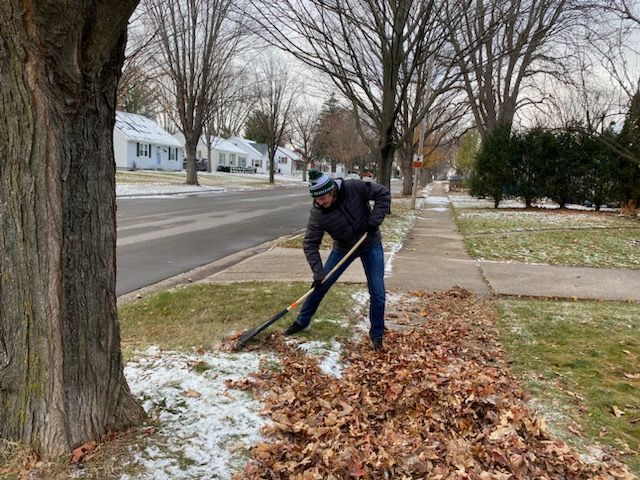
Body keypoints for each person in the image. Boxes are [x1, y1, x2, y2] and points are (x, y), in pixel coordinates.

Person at [284, 169, 391, 351]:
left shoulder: (354, 187)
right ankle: (302, 322)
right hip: (343, 249)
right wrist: (318, 273)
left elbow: (383, 194)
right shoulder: (318, 214)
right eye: (316, 199)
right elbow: (310, 244)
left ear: (331, 190)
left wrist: (375, 220)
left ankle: (377, 335)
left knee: (378, 292)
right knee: (320, 285)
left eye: (323, 198)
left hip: (369, 243)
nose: (320, 202)